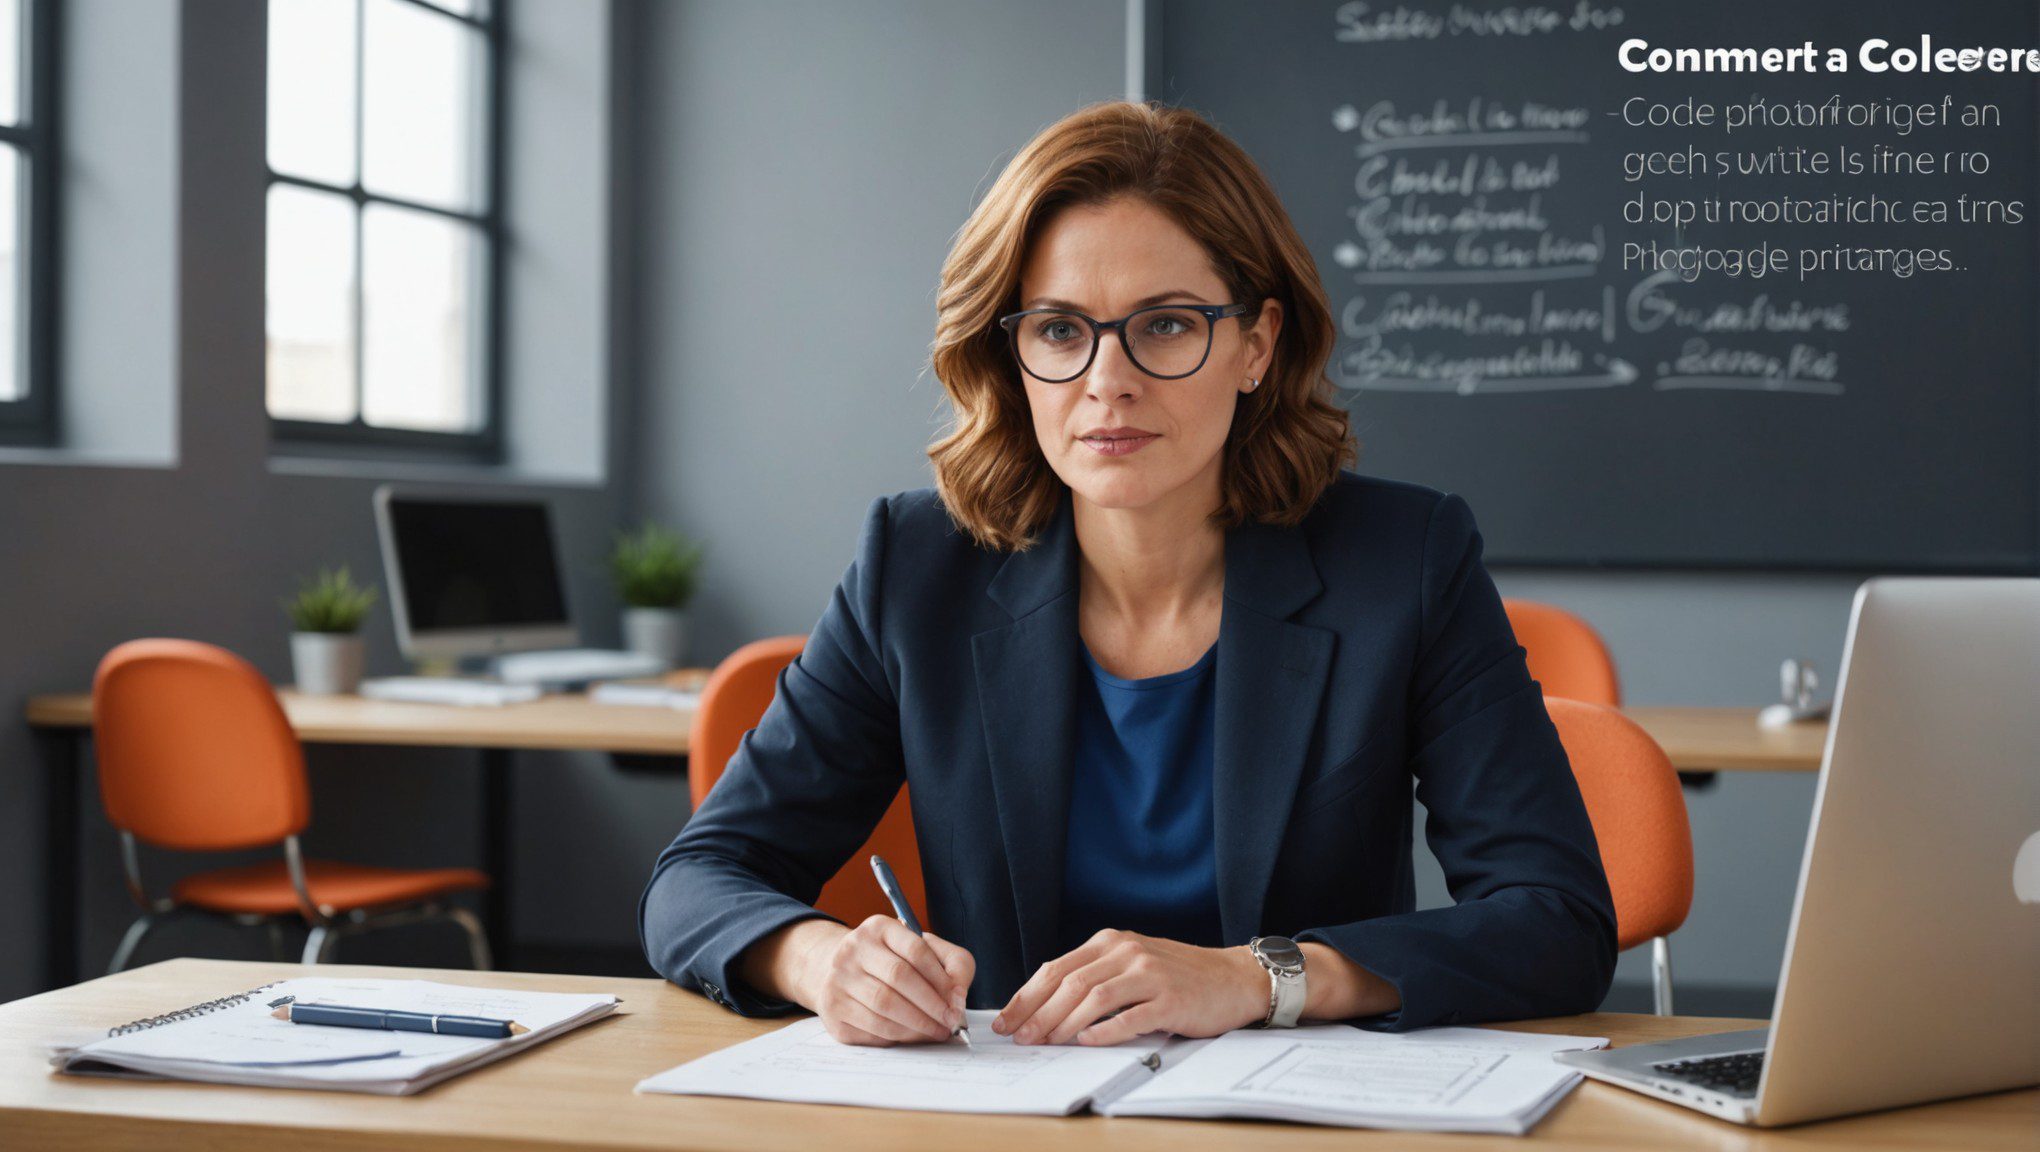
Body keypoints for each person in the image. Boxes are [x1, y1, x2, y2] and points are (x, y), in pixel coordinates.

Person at [639, 99, 1616, 1049]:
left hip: (1289, 1120)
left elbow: (1557, 921)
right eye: (1061, 330)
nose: (1109, 380)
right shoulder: (916, 567)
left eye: (1166, 324)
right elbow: (700, 878)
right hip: (1010, 1119)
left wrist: (1254, 978)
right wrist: (822, 962)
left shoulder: (1404, 560)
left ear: (1256, 345)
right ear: (1012, 354)